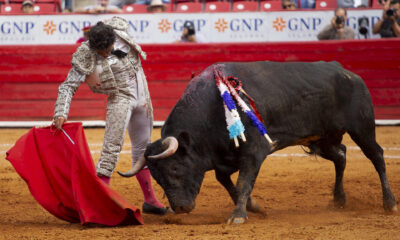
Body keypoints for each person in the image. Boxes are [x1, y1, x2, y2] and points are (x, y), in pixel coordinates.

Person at [53, 16, 170, 215]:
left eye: (107, 48)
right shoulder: (85, 53)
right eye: (101, 51)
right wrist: (61, 112)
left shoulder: (120, 31)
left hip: (143, 96)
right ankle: (97, 205)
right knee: (110, 150)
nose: (105, 53)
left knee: (143, 147)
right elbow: (68, 86)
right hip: (120, 99)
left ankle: (150, 200)